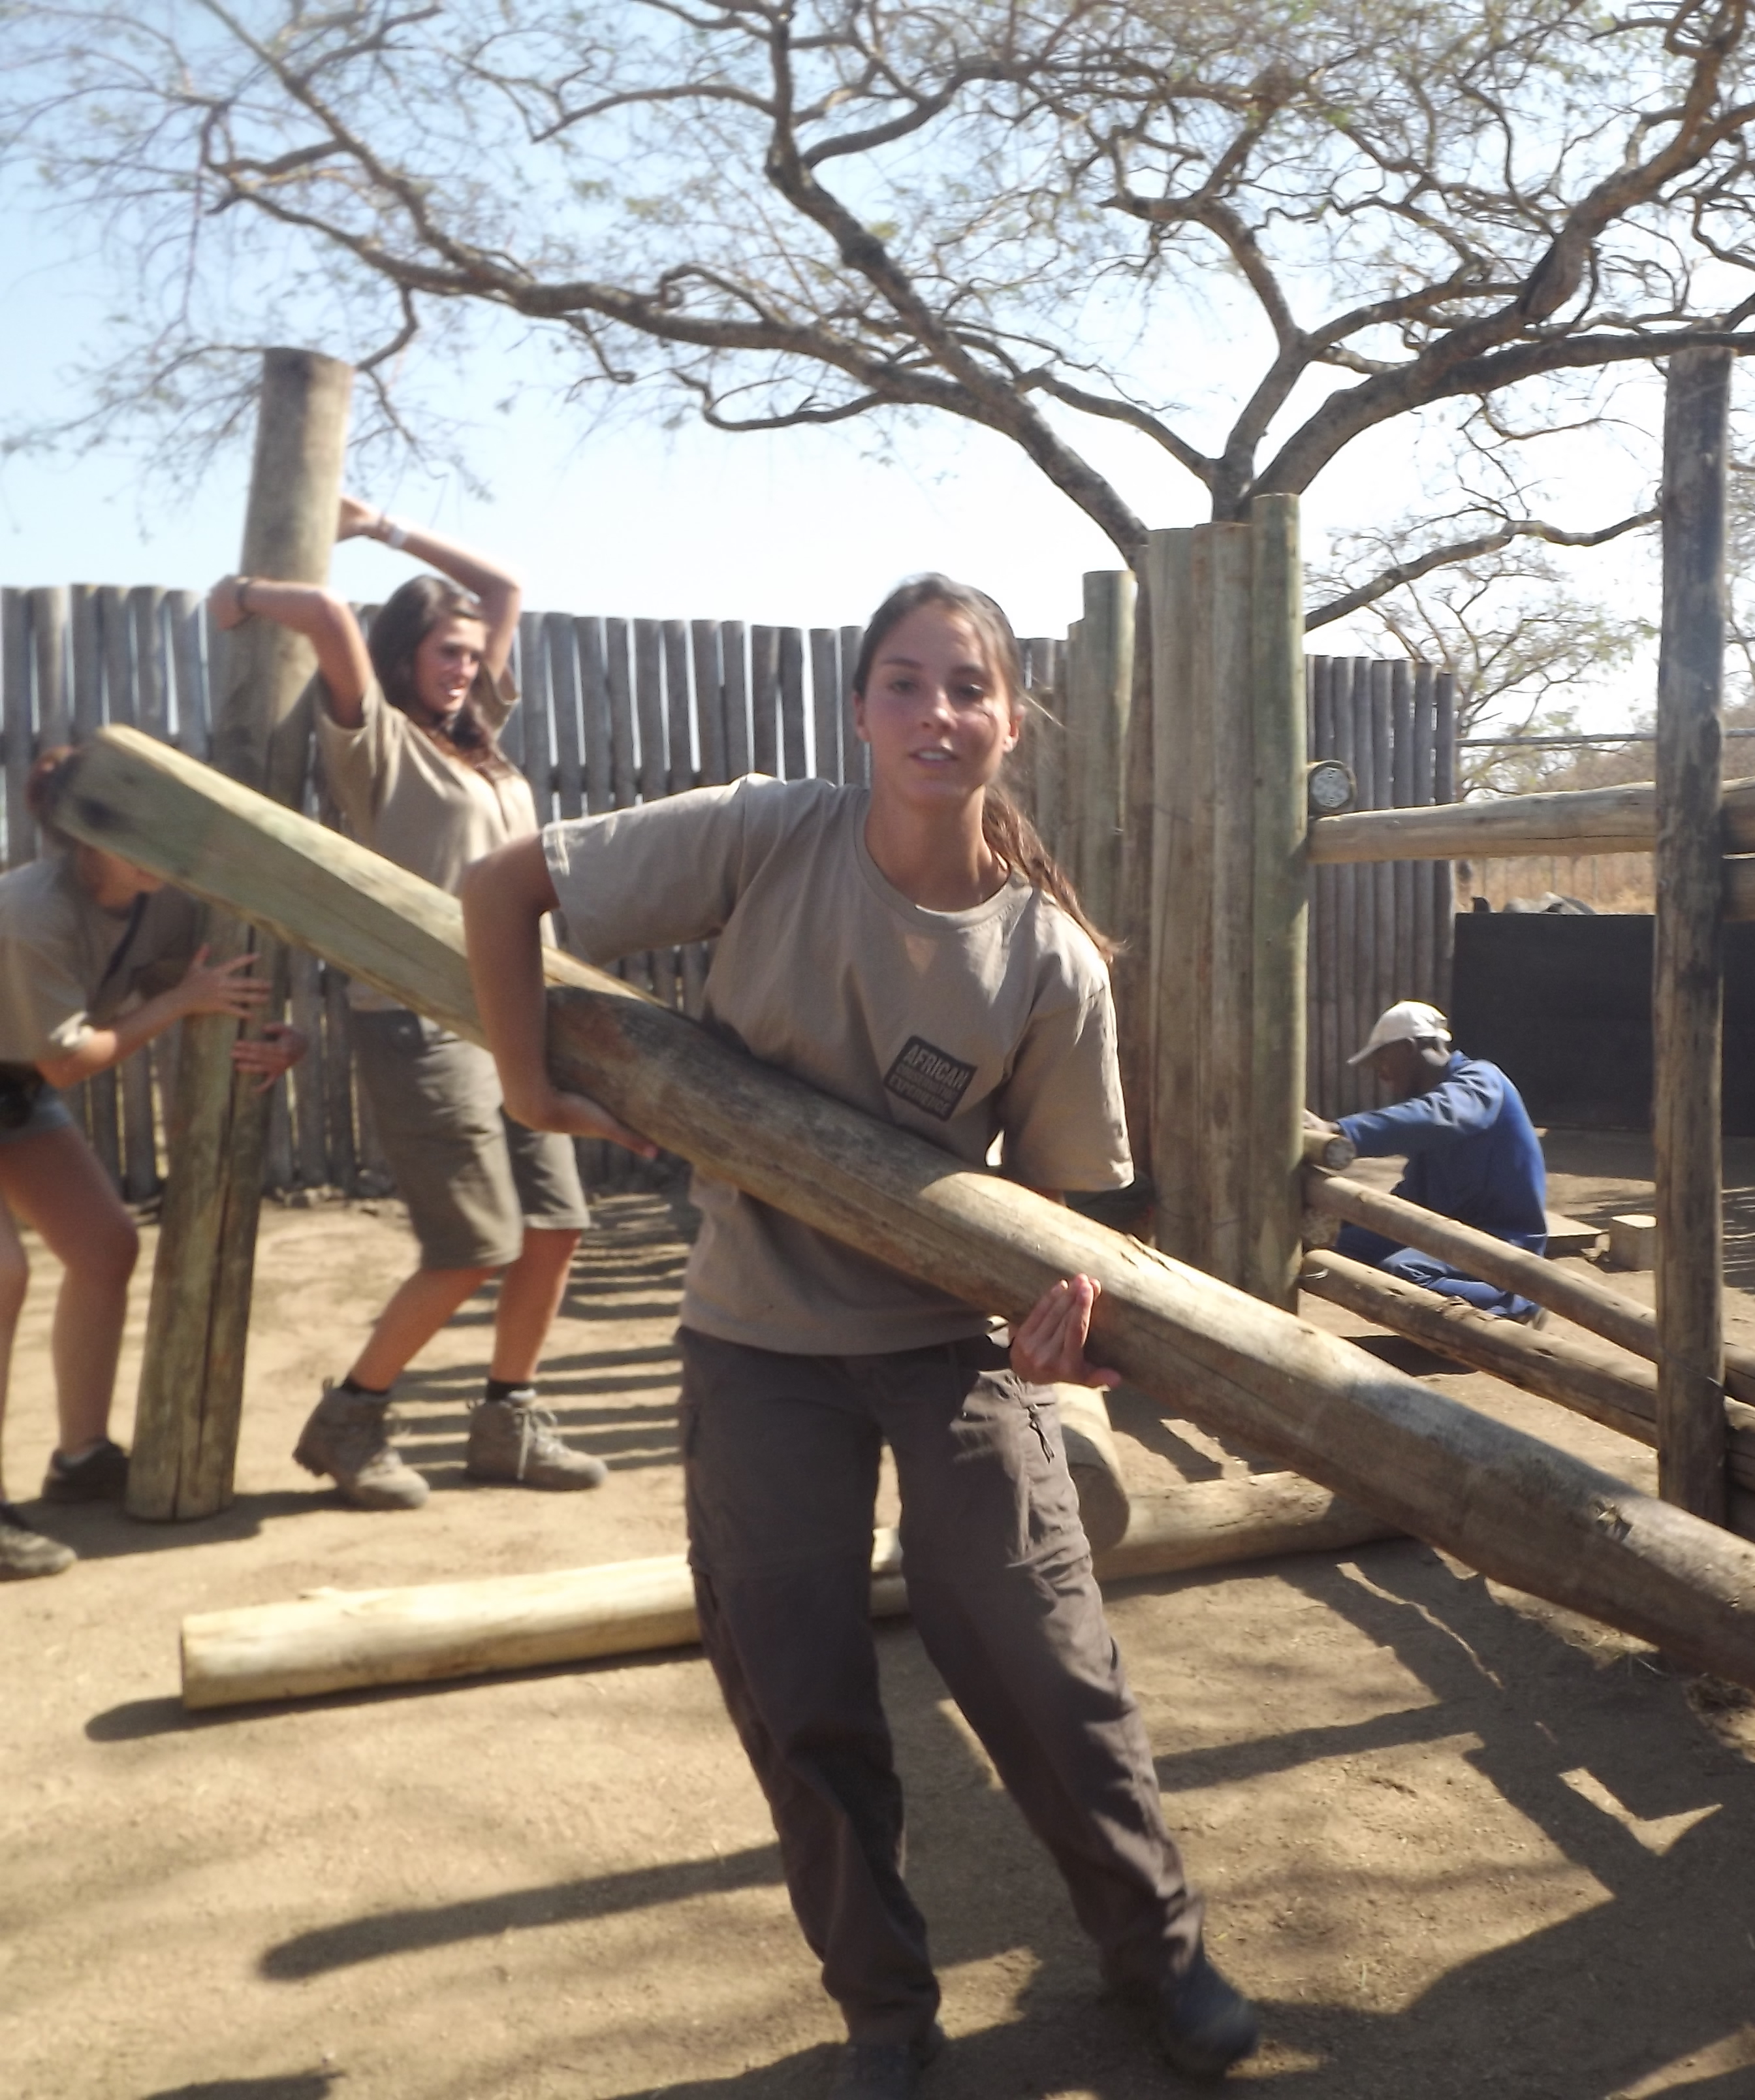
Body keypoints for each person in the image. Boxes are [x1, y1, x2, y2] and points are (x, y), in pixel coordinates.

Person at [460, 573, 1258, 2095]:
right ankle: (884, 2010)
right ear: (860, 710)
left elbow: (1081, 1211)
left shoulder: (1047, 962)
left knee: (1041, 1656)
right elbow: (505, 887)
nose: (934, 714)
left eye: (965, 688)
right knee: (797, 1677)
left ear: (1009, 722)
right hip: (755, 1338)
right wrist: (521, 1081)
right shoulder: (769, 834)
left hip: (948, 1345)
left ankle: (1157, 1949)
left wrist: (1071, 1309)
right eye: (904, 683)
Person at [212, 498, 602, 1511]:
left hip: (524, 1017)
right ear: (405, 656)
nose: (467, 665)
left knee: (555, 1224)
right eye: (445, 649)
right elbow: (334, 624)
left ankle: (507, 1420)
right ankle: (350, 1419)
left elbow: (509, 585)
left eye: (473, 652)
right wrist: (251, 593)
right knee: (474, 1243)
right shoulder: (376, 745)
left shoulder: (482, 735)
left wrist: (381, 524)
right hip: (420, 1022)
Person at [0, 750, 306, 1577]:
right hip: (35, 1073)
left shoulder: (157, 898)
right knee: (2, 1275)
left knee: (106, 1249)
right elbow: (72, 1059)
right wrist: (177, 1005)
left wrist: (272, 1039)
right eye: (125, 828)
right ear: (80, 835)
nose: (152, 844)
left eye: (159, 826)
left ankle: (80, 1459)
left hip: (14, 1089)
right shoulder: (30, 909)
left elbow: (196, 979)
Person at [1330, 1000, 1549, 1322]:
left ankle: (1518, 1302)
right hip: (1446, 1233)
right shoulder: (1429, 1107)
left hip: (1501, 1241)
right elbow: (1416, 1196)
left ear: (1407, 1049)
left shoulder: (1480, 1081)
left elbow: (1442, 1115)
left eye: (1382, 1060)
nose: (1380, 1074)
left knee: (1405, 1272)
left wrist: (1342, 1131)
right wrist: (1350, 1216)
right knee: (1339, 1245)